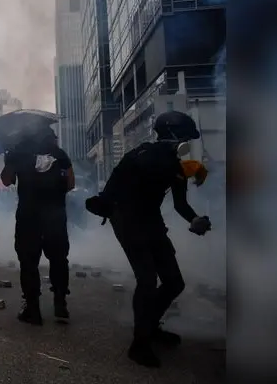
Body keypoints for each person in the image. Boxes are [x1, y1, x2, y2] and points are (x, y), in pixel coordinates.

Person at [87, 111, 211, 368]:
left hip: (151, 220)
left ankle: (151, 326)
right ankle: (139, 343)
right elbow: (134, 179)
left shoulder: (174, 166)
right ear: (174, 135)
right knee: (146, 280)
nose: (187, 142)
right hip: (127, 219)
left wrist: (195, 220)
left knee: (174, 282)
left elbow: (180, 204)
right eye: (186, 137)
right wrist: (186, 169)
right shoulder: (142, 155)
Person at [1, 127, 74, 326]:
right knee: (59, 259)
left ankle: (33, 311)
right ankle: (60, 302)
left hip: (28, 217)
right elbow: (70, 184)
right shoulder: (60, 155)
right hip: (56, 217)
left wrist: (10, 159)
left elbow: (6, 181)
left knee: (29, 262)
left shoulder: (18, 153)